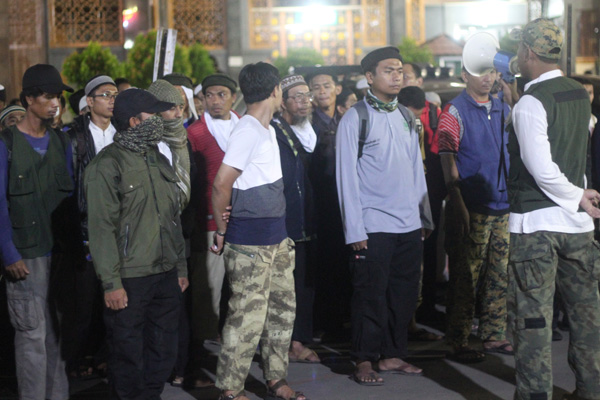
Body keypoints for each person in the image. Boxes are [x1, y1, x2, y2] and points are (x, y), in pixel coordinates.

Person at [507, 18, 600, 400]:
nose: (515, 56)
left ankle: (534, 395)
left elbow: (542, 167)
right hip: (578, 228)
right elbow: (582, 141)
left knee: (532, 321)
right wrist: (580, 194)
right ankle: (591, 389)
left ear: (529, 53)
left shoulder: (531, 102)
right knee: (587, 318)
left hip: (536, 227)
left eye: (518, 50)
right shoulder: (579, 94)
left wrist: (575, 194)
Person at [336, 46, 433, 386]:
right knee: (369, 295)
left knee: (403, 295)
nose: (397, 76)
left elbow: (415, 169)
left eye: (399, 70)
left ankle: (393, 355)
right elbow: (345, 177)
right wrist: (354, 229)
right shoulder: (356, 118)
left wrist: (424, 216)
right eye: (389, 70)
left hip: (408, 223)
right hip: (372, 224)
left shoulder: (405, 116)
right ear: (369, 77)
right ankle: (364, 359)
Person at [84, 88, 189, 400]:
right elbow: (101, 228)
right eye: (152, 115)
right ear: (133, 121)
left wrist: (180, 266)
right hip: (130, 277)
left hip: (166, 273)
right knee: (128, 354)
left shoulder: (157, 158)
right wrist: (111, 282)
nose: (159, 120)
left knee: (163, 350)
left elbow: (173, 217)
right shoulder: (107, 165)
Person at [211, 62, 305, 400]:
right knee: (246, 319)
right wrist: (222, 229)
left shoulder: (264, 128)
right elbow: (221, 183)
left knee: (280, 313)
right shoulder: (248, 130)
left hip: (276, 238)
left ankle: (276, 380)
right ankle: (230, 389)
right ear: (276, 90)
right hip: (250, 242)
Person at [0, 63, 74, 400]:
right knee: (31, 338)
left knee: (57, 338)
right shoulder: (7, 144)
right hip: (27, 256)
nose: (55, 103)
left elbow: (71, 199)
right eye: (47, 96)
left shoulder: (61, 141)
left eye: (57, 96)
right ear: (29, 99)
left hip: (59, 257)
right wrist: (9, 252)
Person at [437, 63, 512, 363]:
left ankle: (493, 334)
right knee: (465, 277)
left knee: (499, 274)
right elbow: (446, 155)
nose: (488, 78)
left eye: (492, 73)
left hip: (503, 204)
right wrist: (456, 199)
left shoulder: (502, 107)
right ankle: (458, 339)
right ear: (465, 76)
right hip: (471, 205)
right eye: (481, 73)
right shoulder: (454, 111)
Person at [63, 75, 119, 378]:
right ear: (89, 101)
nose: (111, 99)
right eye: (104, 94)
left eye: (113, 94)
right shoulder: (74, 137)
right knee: (83, 306)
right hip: (85, 234)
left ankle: (105, 358)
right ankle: (73, 362)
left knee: (113, 304)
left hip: (116, 233)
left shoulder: (123, 133)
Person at [186, 73, 240, 356]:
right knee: (208, 290)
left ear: (234, 97)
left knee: (240, 290)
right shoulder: (194, 133)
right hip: (209, 222)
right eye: (209, 95)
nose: (215, 100)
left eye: (222, 94)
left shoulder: (247, 127)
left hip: (243, 221)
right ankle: (203, 351)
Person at [271, 74, 319, 364]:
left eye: (306, 95)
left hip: (308, 221)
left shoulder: (309, 131)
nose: (304, 101)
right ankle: (289, 344)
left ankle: (298, 341)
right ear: (283, 103)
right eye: (297, 96)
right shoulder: (275, 133)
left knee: (304, 284)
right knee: (287, 288)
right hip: (286, 224)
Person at [307, 70, 351, 341]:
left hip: (345, 204)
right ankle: (323, 321)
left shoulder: (348, 120)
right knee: (320, 265)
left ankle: (341, 320)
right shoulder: (307, 123)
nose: (322, 90)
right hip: (317, 203)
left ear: (337, 88)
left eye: (326, 85)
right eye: (316, 87)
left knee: (343, 264)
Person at [401, 62, 445, 325]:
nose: (401, 79)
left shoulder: (435, 112)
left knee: (430, 254)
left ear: (418, 81)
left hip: (430, 193)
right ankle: (407, 316)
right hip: (403, 197)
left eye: (406, 76)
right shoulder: (392, 112)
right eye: (398, 75)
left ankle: (426, 308)